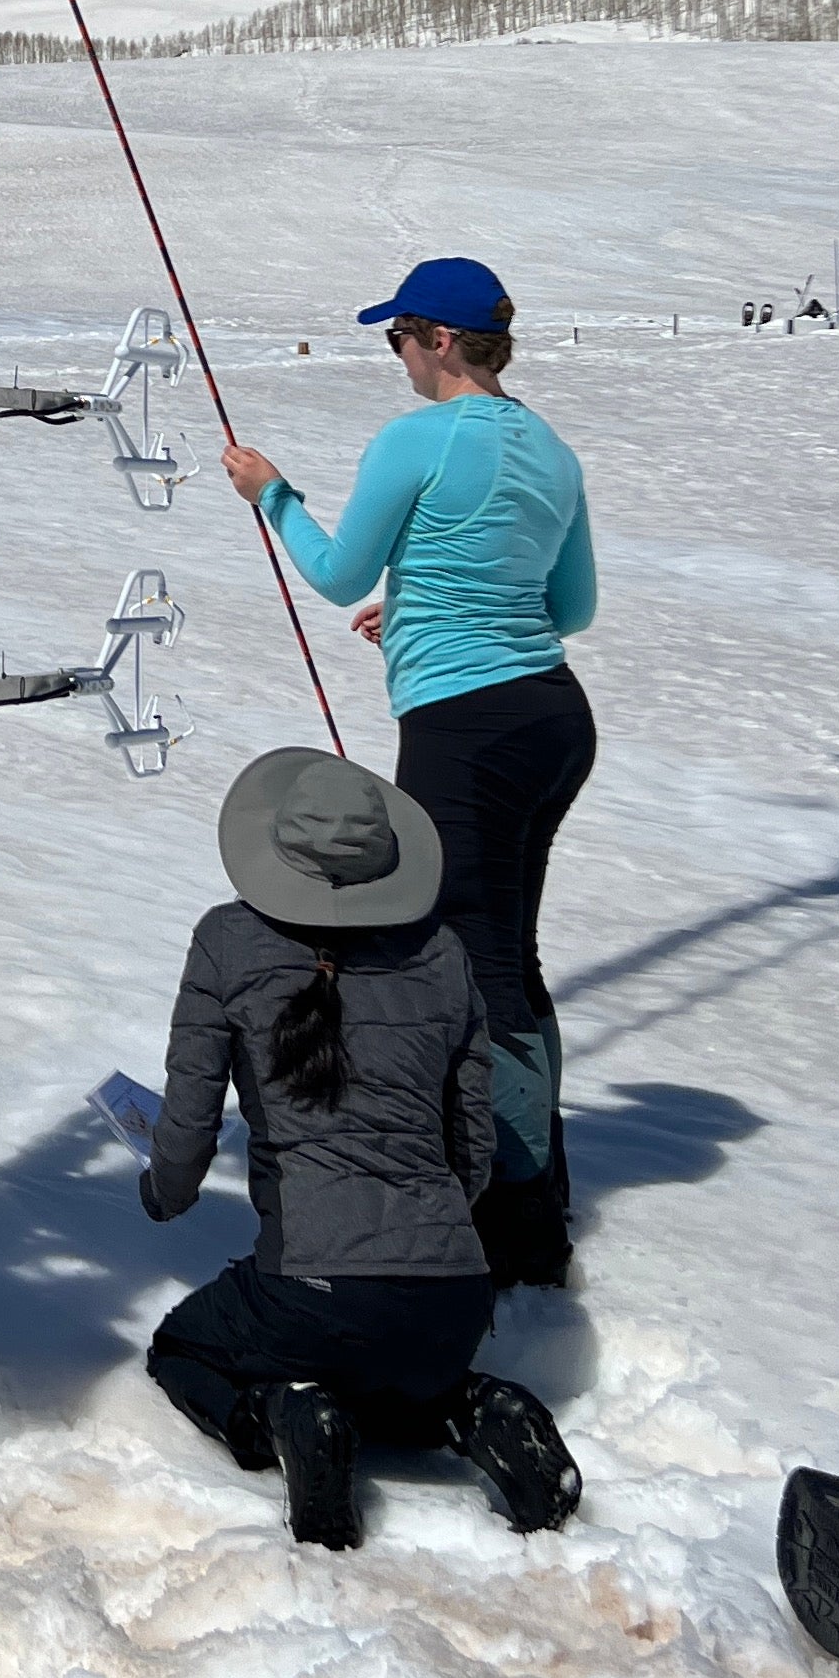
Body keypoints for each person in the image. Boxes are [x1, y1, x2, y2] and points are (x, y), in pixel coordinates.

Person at [220, 257, 597, 1289]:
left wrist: (271, 494)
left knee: (471, 967)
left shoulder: (417, 439)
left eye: (395, 334)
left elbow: (339, 567)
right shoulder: (549, 449)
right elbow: (569, 608)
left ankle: (519, 1218)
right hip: (552, 718)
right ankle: (526, 1183)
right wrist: (430, 604)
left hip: (465, 729)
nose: (392, 351)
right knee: (506, 947)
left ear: (436, 338)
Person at [143, 748, 581, 1550]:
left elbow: (188, 1129)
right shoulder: (440, 952)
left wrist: (162, 1195)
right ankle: (468, 1407)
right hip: (452, 1296)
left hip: (309, 1287)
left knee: (184, 1347)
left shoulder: (226, 943)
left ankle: (283, 1413)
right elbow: (472, 1149)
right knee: (391, 1361)